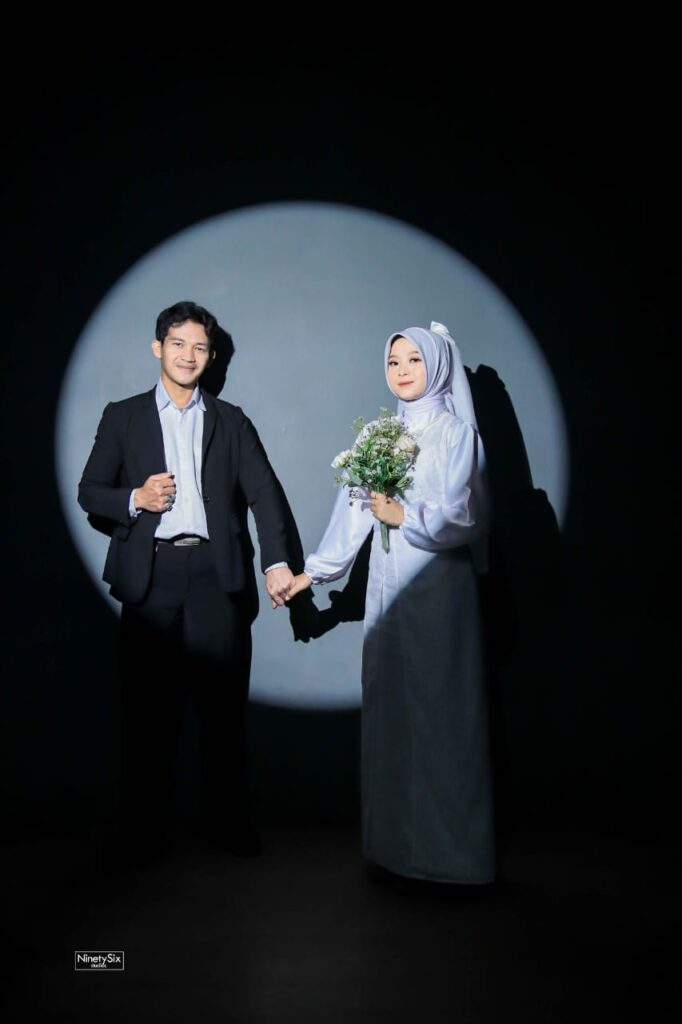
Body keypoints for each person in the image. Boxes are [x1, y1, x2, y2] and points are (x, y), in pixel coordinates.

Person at [78, 301, 295, 860]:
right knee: (146, 713)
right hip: (150, 575)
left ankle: (228, 826)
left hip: (215, 576)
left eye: (199, 347)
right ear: (158, 348)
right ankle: (139, 833)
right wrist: (136, 498)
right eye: (178, 344)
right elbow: (90, 491)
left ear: (211, 356)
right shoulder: (122, 416)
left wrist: (276, 563)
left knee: (222, 710)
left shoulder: (231, 419)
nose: (188, 355)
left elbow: (265, 494)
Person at [287, 322, 494, 884]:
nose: (402, 371)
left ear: (437, 365)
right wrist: (311, 575)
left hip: (439, 591)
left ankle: (451, 861)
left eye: (414, 360)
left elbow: (469, 516)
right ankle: (396, 850)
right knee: (392, 709)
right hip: (386, 588)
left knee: (440, 713)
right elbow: (352, 516)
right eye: (393, 361)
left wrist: (407, 516)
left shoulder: (455, 435)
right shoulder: (379, 435)